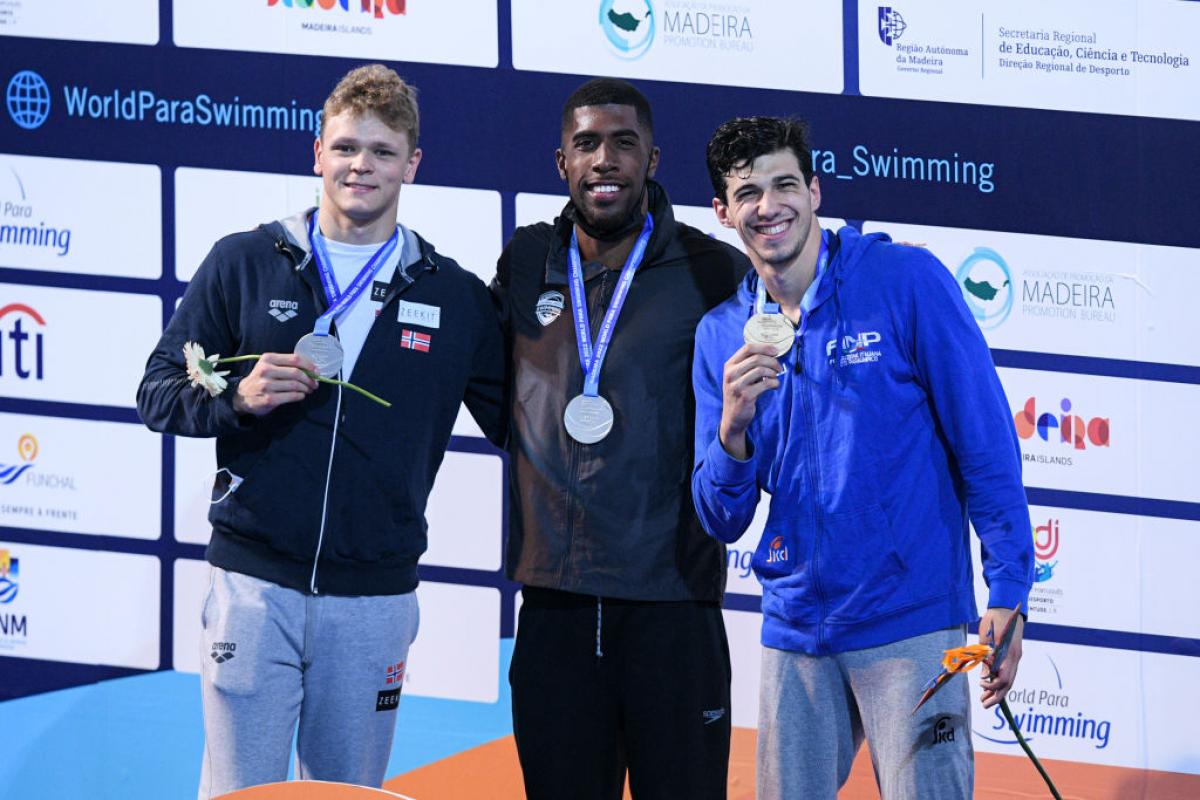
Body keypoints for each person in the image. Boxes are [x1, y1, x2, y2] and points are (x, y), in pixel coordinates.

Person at [137, 64, 505, 798]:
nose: (359, 165)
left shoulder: (453, 296)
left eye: (380, 151)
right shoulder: (243, 261)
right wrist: (236, 399)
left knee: (348, 797)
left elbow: (520, 426)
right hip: (253, 586)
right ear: (317, 153)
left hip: (373, 601)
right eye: (344, 148)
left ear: (412, 165)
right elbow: (157, 391)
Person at [691, 116, 1034, 799]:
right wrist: (732, 433)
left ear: (815, 190)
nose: (770, 205)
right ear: (723, 212)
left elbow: (986, 441)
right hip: (795, 630)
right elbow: (720, 518)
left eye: (785, 183)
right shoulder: (721, 334)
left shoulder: (905, 282)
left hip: (909, 622)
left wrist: (1010, 590)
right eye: (748, 192)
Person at [490, 78, 749, 800]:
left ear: (653, 159)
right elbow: (496, 395)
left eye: (623, 143)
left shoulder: (713, 272)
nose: (605, 159)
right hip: (557, 607)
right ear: (561, 162)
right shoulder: (527, 262)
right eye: (587, 144)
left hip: (672, 604)